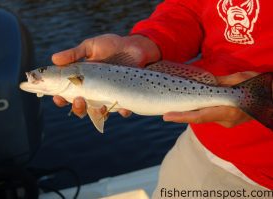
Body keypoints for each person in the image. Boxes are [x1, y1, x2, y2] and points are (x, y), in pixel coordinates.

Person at [52, 0, 273, 198]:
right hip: (203, 144)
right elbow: (190, 8)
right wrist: (147, 42)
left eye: (38, 74)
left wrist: (267, 96)